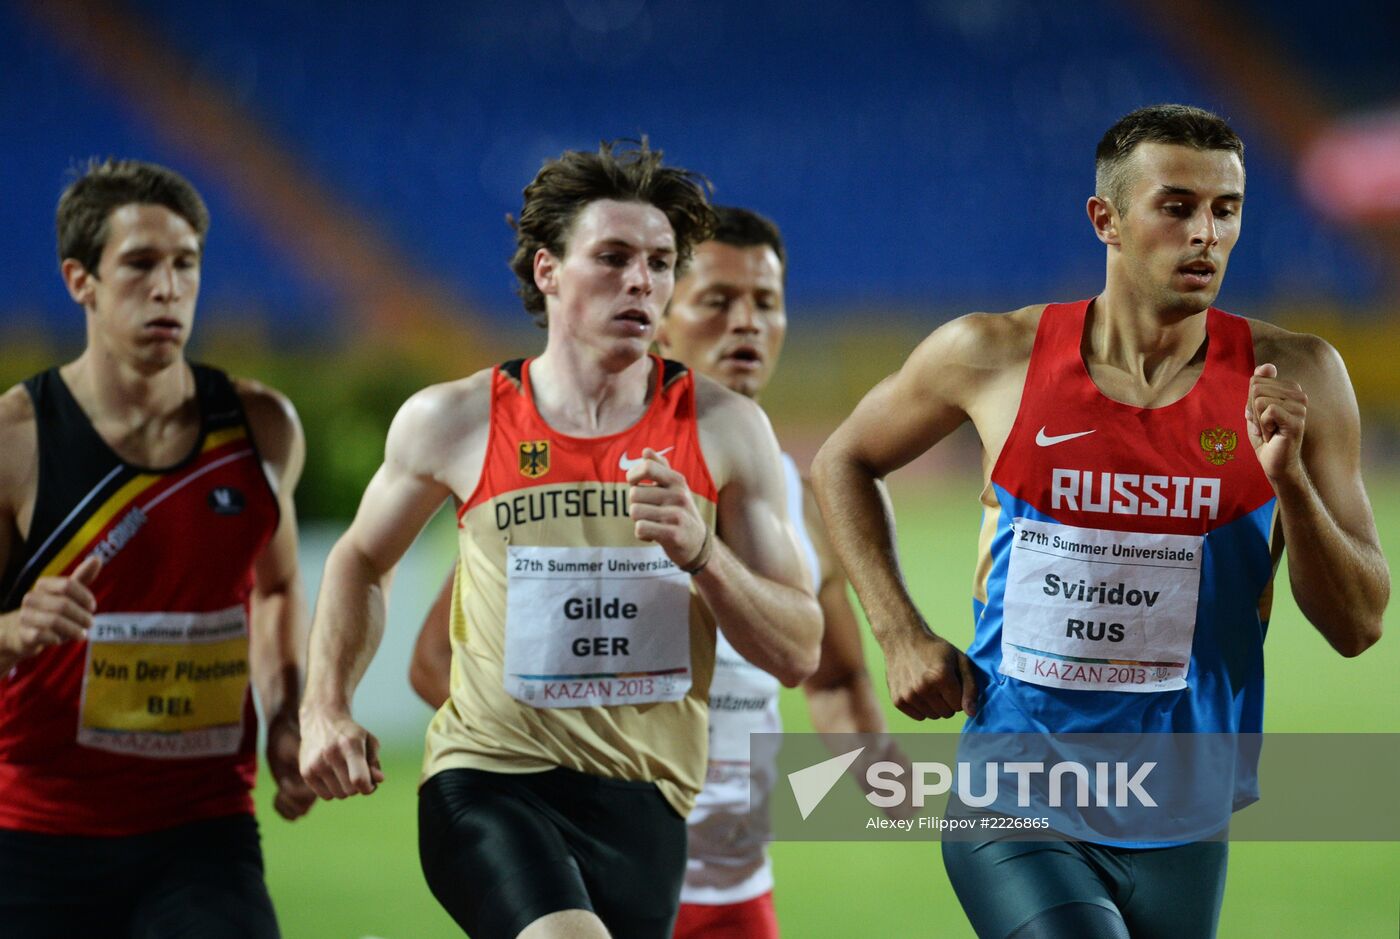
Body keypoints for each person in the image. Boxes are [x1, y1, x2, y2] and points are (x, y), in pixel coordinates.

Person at [812, 104, 1388, 938]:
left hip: (1183, 809)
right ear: (1106, 220)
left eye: (1227, 210)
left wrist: (1290, 481)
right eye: (1178, 206)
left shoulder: (1298, 375)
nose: (1206, 234)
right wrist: (899, 630)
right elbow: (843, 459)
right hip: (1015, 790)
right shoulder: (992, 354)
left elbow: (1359, 624)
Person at [298, 144, 823, 939]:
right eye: (612, 258)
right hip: (489, 779)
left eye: (658, 262)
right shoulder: (456, 420)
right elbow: (361, 560)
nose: (640, 281)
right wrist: (323, 707)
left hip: (646, 798)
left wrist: (705, 556)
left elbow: (799, 650)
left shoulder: (725, 431)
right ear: (548, 271)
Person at [407, 206, 893, 939]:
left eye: (766, 303)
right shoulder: (569, 478)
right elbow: (434, 660)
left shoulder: (802, 498)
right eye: (718, 301)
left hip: (729, 882)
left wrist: (894, 784)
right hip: (587, 855)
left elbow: (828, 678)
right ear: (663, 317)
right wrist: (571, 745)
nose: (747, 325)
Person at [0, 159, 316, 938]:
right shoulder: (15, 441)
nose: (169, 288)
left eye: (186, 264)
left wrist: (286, 712)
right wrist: (10, 629)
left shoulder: (259, 428)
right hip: (34, 834)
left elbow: (275, 586)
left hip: (202, 831)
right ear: (82, 281)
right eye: (140, 264)